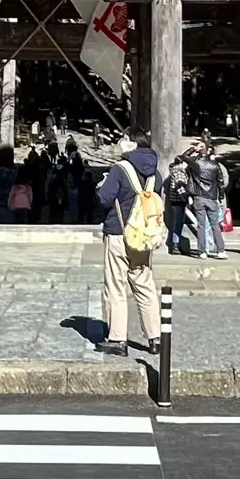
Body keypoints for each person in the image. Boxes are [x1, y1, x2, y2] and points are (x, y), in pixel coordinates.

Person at [93, 127, 162, 357]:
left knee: (116, 286)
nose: (120, 143)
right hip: (143, 237)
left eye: (123, 139)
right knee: (145, 285)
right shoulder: (155, 173)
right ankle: (155, 337)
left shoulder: (119, 169)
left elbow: (104, 199)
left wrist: (101, 186)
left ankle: (117, 338)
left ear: (132, 143)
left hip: (118, 234)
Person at [187, 142, 227, 259]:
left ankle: (202, 251)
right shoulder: (215, 165)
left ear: (199, 151)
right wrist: (220, 197)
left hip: (199, 197)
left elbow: (183, 157)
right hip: (212, 197)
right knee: (215, 225)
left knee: (201, 225)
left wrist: (192, 149)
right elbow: (220, 183)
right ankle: (220, 250)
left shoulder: (196, 164)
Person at [163, 154, 191, 256]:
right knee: (178, 224)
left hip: (173, 200)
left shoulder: (172, 172)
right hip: (179, 201)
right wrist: (186, 198)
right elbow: (180, 187)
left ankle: (175, 243)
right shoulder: (180, 173)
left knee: (177, 223)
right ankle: (175, 244)